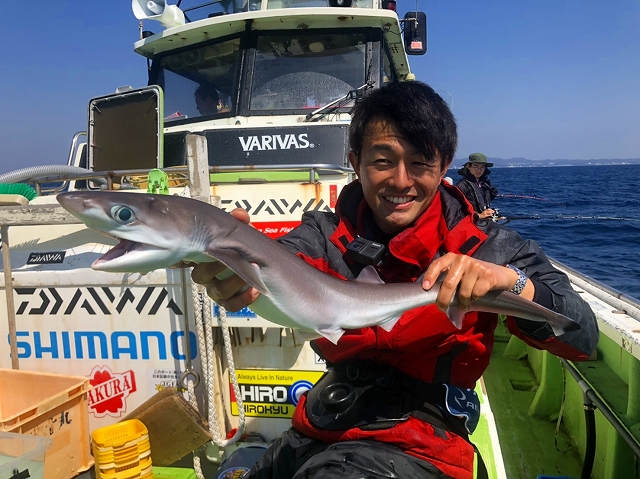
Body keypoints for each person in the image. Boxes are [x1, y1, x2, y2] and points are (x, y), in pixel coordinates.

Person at [191, 81, 598, 479]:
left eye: (420, 162)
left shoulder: (489, 246)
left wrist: (512, 282)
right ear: (356, 162)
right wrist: (239, 271)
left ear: (444, 165)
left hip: (426, 441)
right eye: (383, 160)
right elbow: (278, 263)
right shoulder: (323, 235)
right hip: (321, 421)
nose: (401, 181)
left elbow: (582, 335)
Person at [455, 153, 498, 219]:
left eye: (482, 167)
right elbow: (455, 210)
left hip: (485, 222)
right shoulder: (462, 185)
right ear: (468, 167)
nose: (479, 170)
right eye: (476, 166)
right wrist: (479, 216)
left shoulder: (485, 185)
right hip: (471, 223)